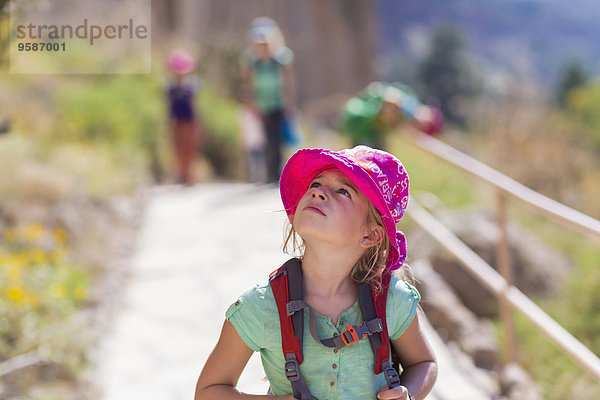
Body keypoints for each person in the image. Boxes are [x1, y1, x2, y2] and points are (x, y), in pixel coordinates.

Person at [195, 145, 437, 399]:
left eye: (343, 191)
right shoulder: (261, 306)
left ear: (371, 235)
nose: (318, 193)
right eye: (316, 184)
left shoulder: (391, 300)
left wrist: (408, 394)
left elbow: (424, 363)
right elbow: (208, 391)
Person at [240, 17, 296, 184]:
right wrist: (250, 104)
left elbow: (289, 83)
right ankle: (261, 175)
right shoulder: (251, 61)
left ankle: (276, 175)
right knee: (259, 142)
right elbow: (247, 84)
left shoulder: (281, 59)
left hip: (278, 104)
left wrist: (290, 104)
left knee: (277, 139)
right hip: (259, 106)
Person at [338, 82, 444, 149]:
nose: (420, 123)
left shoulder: (405, 121)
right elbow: (391, 99)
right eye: (426, 121)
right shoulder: (410, 105)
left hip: (360, 129)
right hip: (360, 115)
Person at [166, 49, 202, 185]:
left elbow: (196, 106)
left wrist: (199, 123)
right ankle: (180, 176)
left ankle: (190, 177)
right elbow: (168, 106)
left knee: (190, 150)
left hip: (190, 122)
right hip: (177, 122)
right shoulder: (170, 86)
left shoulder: (192, 85)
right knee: (178, 150)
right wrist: (168, 123)